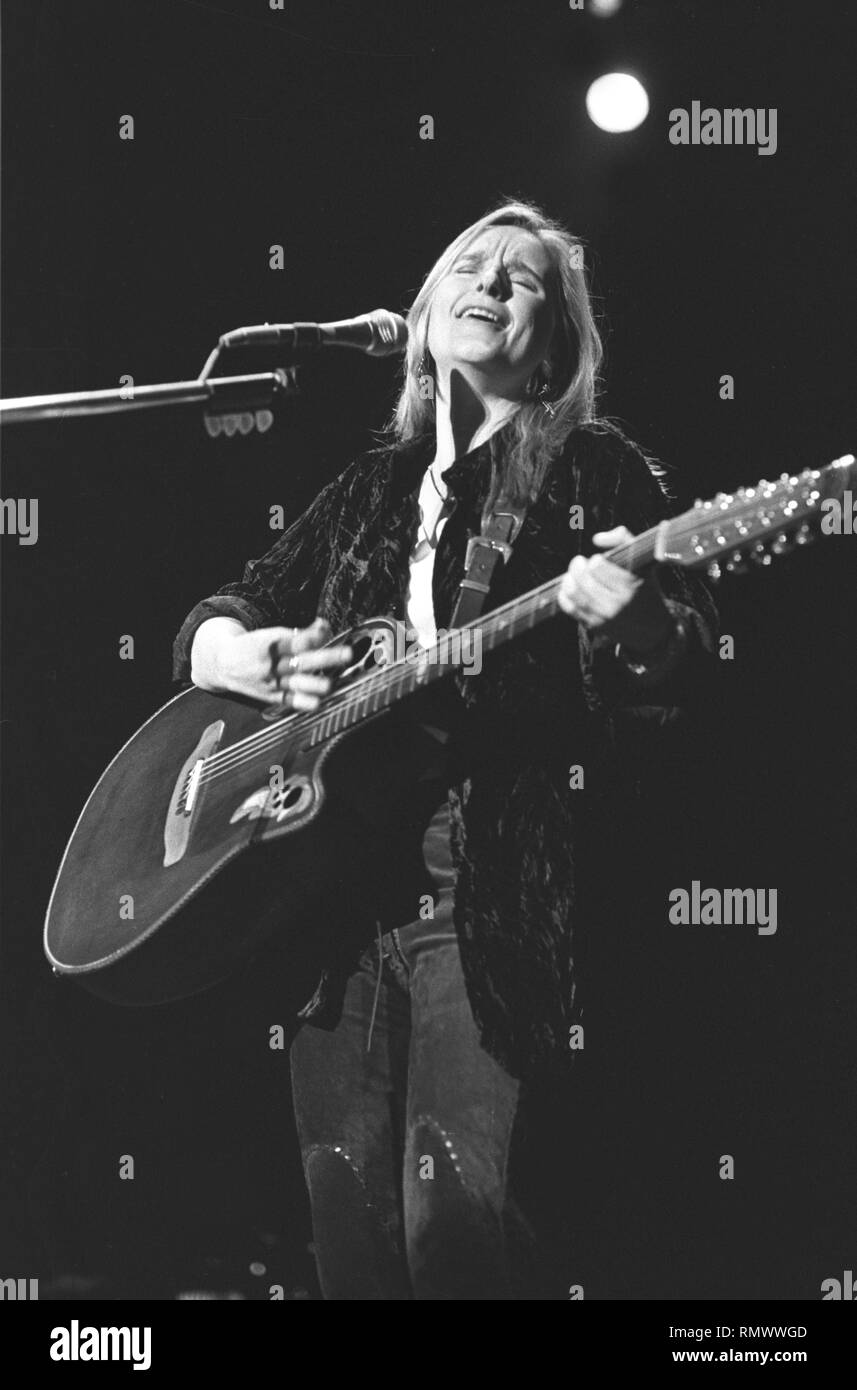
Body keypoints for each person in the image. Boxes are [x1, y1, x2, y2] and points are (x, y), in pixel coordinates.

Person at [172, 199, 718, 1300]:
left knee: (451, 1231)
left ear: (553, 343)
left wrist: (640, 632)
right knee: (352, 1244)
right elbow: (216, 613)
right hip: (329, 909)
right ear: (419, 320)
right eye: (467, 267)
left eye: (522, 281)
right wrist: (231, 654)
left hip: (477, 900)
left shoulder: (592, 473)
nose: (489, 284)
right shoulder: (369, 489)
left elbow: (671, 686)